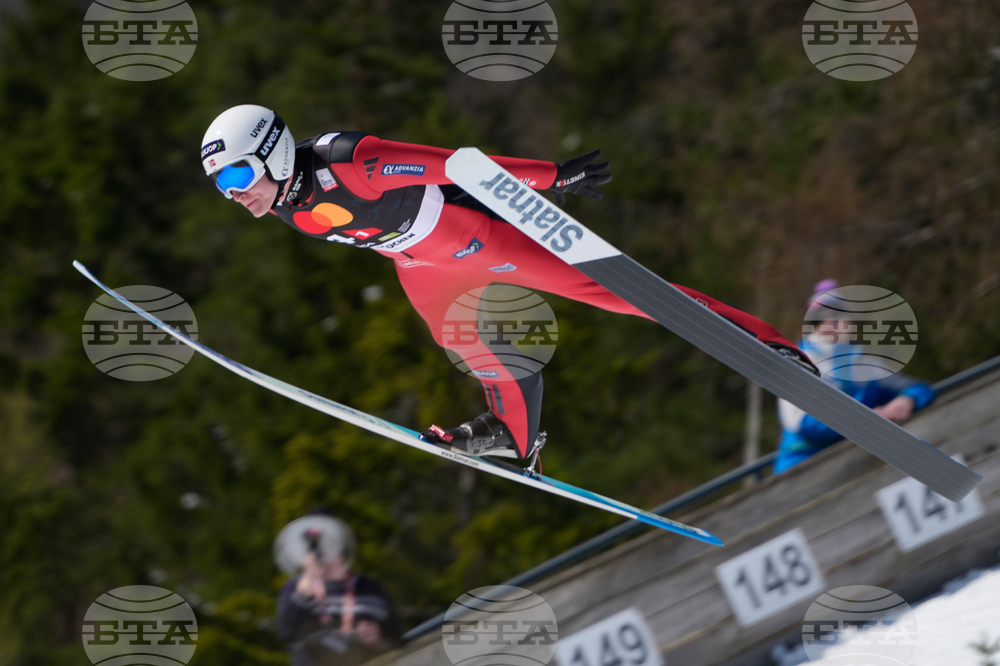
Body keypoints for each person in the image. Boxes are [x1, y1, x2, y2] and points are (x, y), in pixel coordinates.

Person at [201, 104, 818, 460]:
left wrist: (552, 177)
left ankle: (768, 345)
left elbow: (455, 164)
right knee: (468, 348)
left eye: (237, 178)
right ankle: (515, 436)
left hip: (476, 235)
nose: (235, 196)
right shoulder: (280, 198)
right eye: (222, 189)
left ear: (273, 151)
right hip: (419, 262)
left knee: (619, 292)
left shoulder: (349, 162)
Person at [773, 279, 937, 473]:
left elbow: (920, 388)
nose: (828, 323)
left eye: (835, 314)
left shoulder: (866, 365)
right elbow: (806, 425)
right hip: (801, 466)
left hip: (857, 463)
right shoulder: (794, 364)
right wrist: (868, 420)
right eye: (818, 318)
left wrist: (907, 401)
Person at [274, 512, 400, 666]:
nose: (318, 553)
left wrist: (378, 641)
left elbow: (398, 641)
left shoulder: (372, 590)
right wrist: (302, 592)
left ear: (339, 543)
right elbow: (285, 632)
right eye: (311, 546)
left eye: (325, 542)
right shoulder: (294, 589)